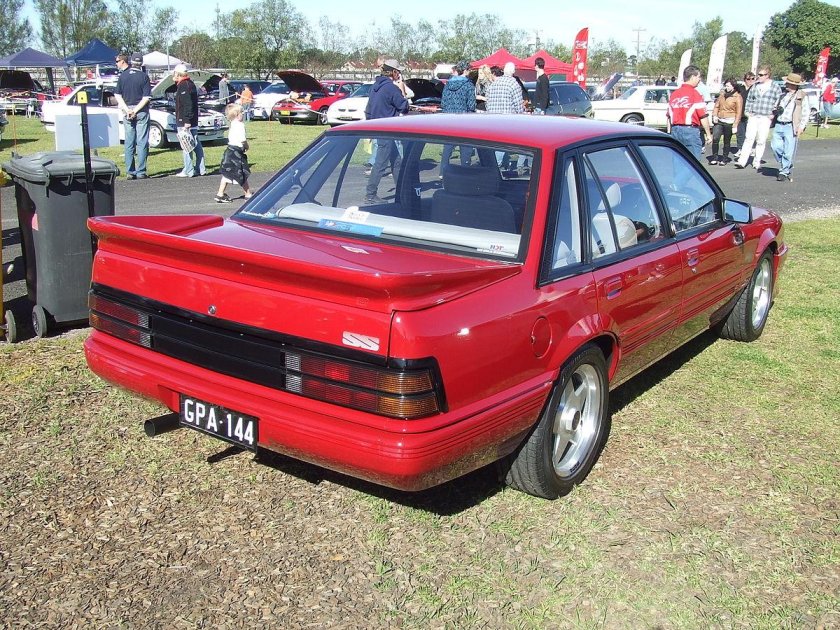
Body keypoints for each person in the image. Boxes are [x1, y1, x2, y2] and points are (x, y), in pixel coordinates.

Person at [363, 59, 410, 204]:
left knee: (396, 162)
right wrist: (401, 88)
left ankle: (402, 192)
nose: (400, 74)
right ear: (394, 72)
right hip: (388, 130)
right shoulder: (391, 88)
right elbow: (404, 107)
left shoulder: (375, 87)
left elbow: (369, 110)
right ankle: (370, 195)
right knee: (381, 164)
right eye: (398, 71)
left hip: (379, 128)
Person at [735, 65, 782, 171]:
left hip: (766, 116)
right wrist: (747, 112)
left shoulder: (775, 86)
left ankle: (757, 161)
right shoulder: (755, 86)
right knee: (749, 138)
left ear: (767, 75)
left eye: (761, 75)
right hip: (754, 115)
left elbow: (779, 101)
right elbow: (750, 100)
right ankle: (742, 161)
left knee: (761, 140)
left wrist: (773, 114)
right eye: (758, 74)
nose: (759, 77)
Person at [113, 52, 151, 180]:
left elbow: (117, 95)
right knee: (142, 142)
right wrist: (136, 110)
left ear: (131, 62)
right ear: (141, 63)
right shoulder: (144, 77)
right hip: (141, 111)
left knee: (129, 142)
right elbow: (146, 97)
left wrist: (127, 109)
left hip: (126, 110)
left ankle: (130, 171)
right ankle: (141, 171)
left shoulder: (123, 76)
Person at [770, 72, 810, 182]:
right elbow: (776, 106)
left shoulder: (801, 96)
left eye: (788, 83)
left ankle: (783, 171)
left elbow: (806, 112)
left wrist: (801, 126)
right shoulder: (782, 94)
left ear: (794, 85)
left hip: (791, 125)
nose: (786, 85)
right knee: (775, 147)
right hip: (779, 123)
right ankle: (786, 163)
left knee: (788, 150)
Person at [666, 65, 712, 159]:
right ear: (693, 77)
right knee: (693, 164)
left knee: (678, 161)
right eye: (699, 77)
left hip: (675, 131)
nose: (700, 79)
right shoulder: (695, 94)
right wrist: (708, 134)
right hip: (690, 131)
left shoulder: (674, 94)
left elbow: (668, 116)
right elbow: (703, 116)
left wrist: (669, 132)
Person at [173, 64, 206, 178]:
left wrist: (186, 120)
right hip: (192, 120)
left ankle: (188, 170)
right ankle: (201, 168)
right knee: (196, 144)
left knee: (186, 145)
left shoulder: (183, 85)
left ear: (178, 74)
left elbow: (188, 104)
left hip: (185, 120)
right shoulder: (190, 84)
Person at [216, 103, 252, 202]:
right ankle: (248, 194)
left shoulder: (232, 124)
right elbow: (242, 140)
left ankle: (220, 193)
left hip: (229, 151)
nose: (243, 114)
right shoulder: (240, 125)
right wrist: (246, 146)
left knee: (227, 173)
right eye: (241, 112)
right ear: (236, 114)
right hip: (236, 152)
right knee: (242, 172)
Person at [710, 78, 743, 165]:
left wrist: (735, 125)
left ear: (733, 86)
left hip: (730, 121)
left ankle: (724, 158)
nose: (726, 87)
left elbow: (738, 112)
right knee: (715, 138)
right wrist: (714, 115)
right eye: (726, 85)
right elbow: (716, 106)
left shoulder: (737, 97)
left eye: (728, 86)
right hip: (720, 120)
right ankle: (714, 157)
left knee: (726, 141)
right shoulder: (722, 95)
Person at [734, 71, 755, 155]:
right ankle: (740, 148)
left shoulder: (755, 89)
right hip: (740, 113)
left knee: (750, 133)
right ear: (745, 80)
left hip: (751, 114)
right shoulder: (740, 88)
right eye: (748, 79)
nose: (750, 81)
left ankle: (752, 148)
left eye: (753, 79)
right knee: (740, 133)